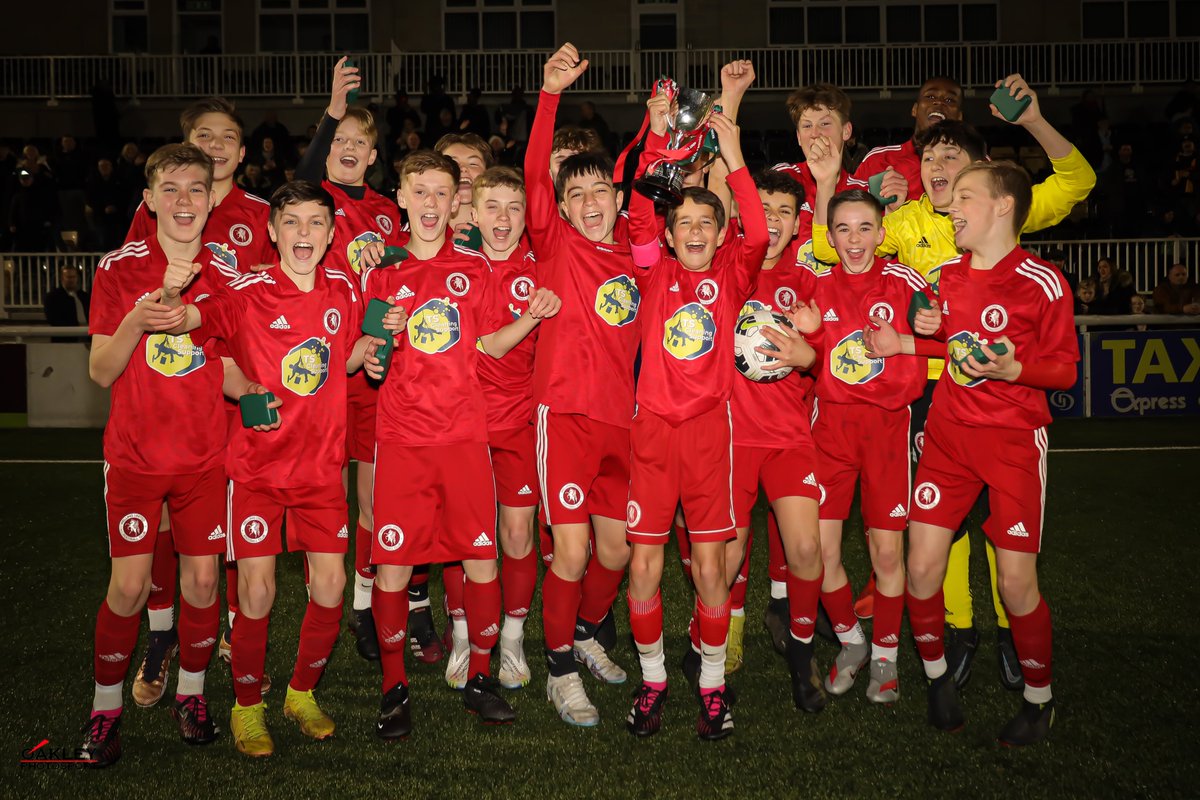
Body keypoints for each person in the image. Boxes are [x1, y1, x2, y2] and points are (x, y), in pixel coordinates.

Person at [811, 75, 1096, 689]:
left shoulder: (993, 215)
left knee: (1004, 533)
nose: (938, 166)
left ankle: (1009, 636)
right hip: (928, 400)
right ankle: (957, 631)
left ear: (984, 178)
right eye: (930, 156)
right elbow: (834, 247)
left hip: (1004, 403)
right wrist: (847, 188)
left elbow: (1077, 183)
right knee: (942, 531)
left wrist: (1034, 123)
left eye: (953, 159)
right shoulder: (904, 219)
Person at [158, 180, 380, 757]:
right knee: (256, 595)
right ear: (273, 231)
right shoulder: (247, 290)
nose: (303, 233)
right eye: (292, 223)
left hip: (321, 470)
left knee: (331, 587)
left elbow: (346, 354)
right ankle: (247, 706)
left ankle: (301, 693)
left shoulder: (343, 289)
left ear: (331, 234)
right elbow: (203, 337)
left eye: (314, 223)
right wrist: (243, 389)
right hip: (255, 471)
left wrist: (374, 349)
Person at [865, 160, 1079, 746]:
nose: (951, 206)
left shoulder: (1043, 282)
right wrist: (905, 338)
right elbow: (946, 335)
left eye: (965, 196)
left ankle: (1039, 700)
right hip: (948, 440)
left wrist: (1017, 369)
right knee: (921, 569)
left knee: (1015, 585)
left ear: (1003, 205)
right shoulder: (950, 276)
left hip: (1012, 445)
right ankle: (937, 680)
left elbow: (1064, 371)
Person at [365, 149, 560, 738]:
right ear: (401, 198)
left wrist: (532, 315)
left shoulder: (474, 270)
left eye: (441, 194)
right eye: (418, 192)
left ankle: (481, 677)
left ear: (458, 205)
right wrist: (384, 340)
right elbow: (370, 364)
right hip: (401, 440)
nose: (430, 204)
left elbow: (492, 347)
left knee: (481, 557)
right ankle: (393, 688)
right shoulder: (383, 271)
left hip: (463, 438)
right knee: (394, 566)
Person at [81, 143, 230, 766]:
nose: (185, 201)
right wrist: (139, 320)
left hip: (204, 458)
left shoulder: (229, 270)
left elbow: (230, 360)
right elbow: (99, 370)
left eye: (196, 188)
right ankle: (104, 709)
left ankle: (192, 697)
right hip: (137, 458)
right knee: (130, 589)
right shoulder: (119, 268)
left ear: (212, 196)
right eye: (170, 189)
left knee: (200, 582)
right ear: (149, 198)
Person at [624, 92, 766, 740]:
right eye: (684, 224)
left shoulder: (735, 271)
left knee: (711, 569)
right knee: (645, 566)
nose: (697, 233)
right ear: (672, 233)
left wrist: (733, 158)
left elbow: (759, 231)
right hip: (652, 433)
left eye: (708, 223)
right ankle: (653, 680)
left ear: (718, 230)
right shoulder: (652, 272)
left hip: (711, 434)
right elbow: (636, 216)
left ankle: (711, 686)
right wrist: (657, 139)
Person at [123, 97, 274, 709]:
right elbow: (135, 292)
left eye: (228, 136)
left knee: (233, 520)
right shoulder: (159, 204)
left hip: (238, 383)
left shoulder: (262, 214)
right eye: (203, 135)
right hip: (172, 390)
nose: (215, 145)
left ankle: (239, 641)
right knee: (161, 521)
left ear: (242, 152)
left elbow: (274, 293)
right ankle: (161, 637)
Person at [526, 43, 638, 727]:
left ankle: (591, 629)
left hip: (620, 424)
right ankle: (559, 670)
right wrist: (549, 95)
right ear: (562, 207)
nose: (589, 203)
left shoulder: (634, 255)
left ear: (616, 198)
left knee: (617, 550)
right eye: (576, 195)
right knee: (570, 550)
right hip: (564, 417)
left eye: (600, 192)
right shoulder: (556, 246)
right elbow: (539, 174)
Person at [795, 187, 931, 705]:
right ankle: (852, 642)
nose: (855, 240)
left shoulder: (906, 283)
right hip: (828, 431)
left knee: (887, 551)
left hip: (887, 431)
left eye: (865, 228)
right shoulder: (817, 287)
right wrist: (809, 341)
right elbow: (809, 361)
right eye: (844, 230)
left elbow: (934, 338)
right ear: (830, 237)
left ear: (881, 233)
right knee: (821, 552)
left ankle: (886, 659)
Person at [294, 56, 407, 663]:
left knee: (371, 498)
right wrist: (332, 111)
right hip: (319, 361)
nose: (346, 147)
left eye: (358, 142)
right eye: (338, 139)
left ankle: (362, 604)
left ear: (371, 156)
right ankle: (324, 598)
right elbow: (305, 177)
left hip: (371, 367)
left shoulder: (389, 212)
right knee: (320, 492)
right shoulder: (318, 198)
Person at [471, 166, 540, 690]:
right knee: (468, 540)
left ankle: (513, 639)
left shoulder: (542, 269)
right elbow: (485, 344)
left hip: (519, 422)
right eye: (491, 206)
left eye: (513, 207)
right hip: (462, 423)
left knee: (517, 537)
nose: (503, 218)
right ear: (471, 214)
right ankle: (464, 637)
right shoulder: (454, 269)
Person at [771, 83, 867, 268]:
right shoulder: (780, 179)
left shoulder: (863, 193)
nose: (815, 134)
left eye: (824, 124)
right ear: (799, 137)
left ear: (846, 131)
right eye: (807, 126)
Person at [853, 76, 965, 209]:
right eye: (930, 97)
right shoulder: (878, 160)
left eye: (949, 100)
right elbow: (849, 214)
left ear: (959, 117)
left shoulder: (972, 161)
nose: (939, 102)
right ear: (915, 110)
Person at [44, 264, 90, 328]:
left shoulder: (84, 296)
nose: (71, 280)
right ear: (62, 278)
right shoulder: (53, 297)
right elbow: (53, 319)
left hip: (86, 334)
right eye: (68, 277)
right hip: (66, 335)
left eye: (73, 277)